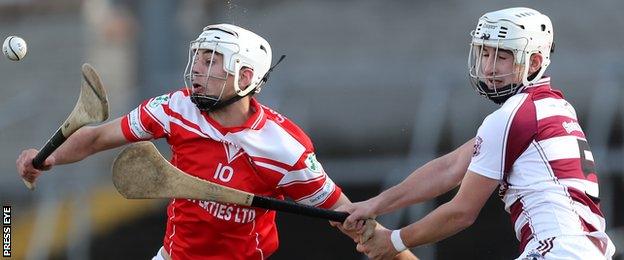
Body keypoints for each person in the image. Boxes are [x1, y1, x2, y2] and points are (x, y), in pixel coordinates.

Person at [16, 24, 417, 260]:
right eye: (198, 59)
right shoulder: (177, 108)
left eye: (212, 62)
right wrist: (47, 158)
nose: (197, 72)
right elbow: (98, 137)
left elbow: (346, 216)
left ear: (245, 76)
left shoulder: (285, 148)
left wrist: (392, 246)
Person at [337, 7, 617, 260]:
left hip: (556, 251)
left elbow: (461, 213)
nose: (488, 66)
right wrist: (374, 204)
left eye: (502, 56)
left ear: (534, 62)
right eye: (484, 52)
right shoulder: (551, 107)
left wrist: (394, 241)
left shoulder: (511, 117)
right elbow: (451, 166)